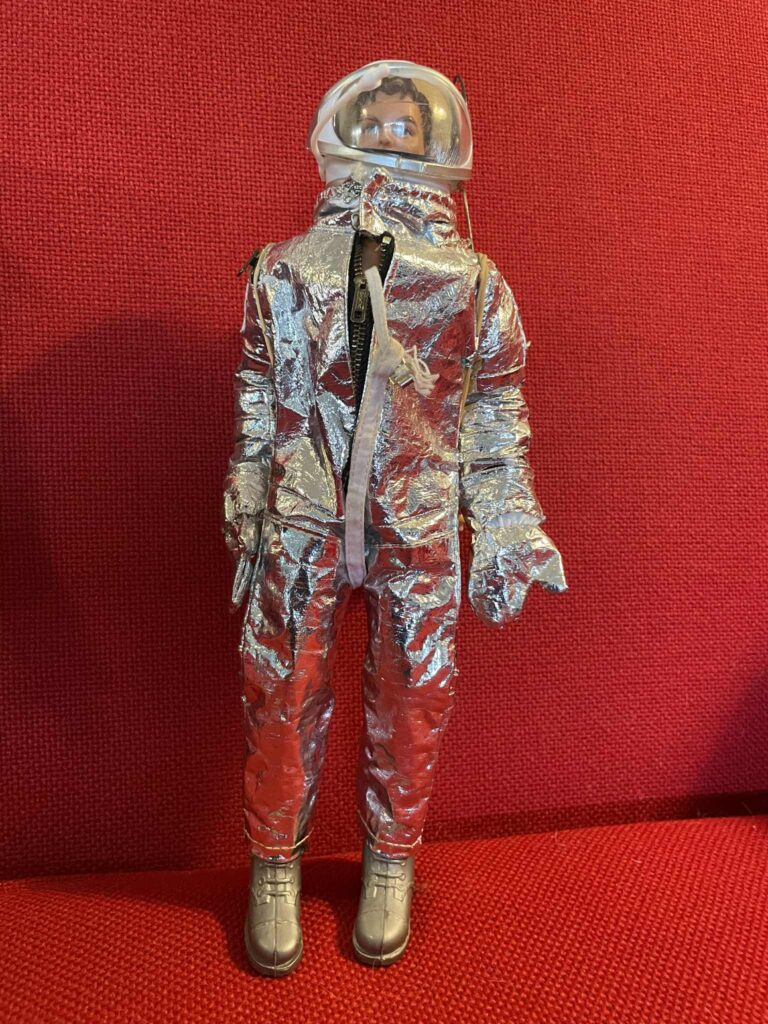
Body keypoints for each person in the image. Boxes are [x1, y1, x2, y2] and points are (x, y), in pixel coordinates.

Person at [223, 60, 568, 977]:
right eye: (372, 123)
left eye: (403, 126)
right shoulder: (285, 268)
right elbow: (258, 382)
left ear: (437, 140)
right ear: (340, 133)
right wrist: (249, 490)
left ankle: (390, 858)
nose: (386, 137)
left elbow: (494, 407)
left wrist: (506, 523)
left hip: (415, 519)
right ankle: (274, 862)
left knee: (415, 687)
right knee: (280, 683)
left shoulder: (472, 283)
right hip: (303, 511)